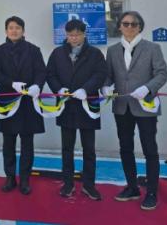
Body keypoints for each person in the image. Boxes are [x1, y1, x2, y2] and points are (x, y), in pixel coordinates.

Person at [103, 11, 167, 210]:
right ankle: (132, 187)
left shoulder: (152, 48)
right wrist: (106, 87)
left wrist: (147, 88)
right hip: (122, 107)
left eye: (134, 24)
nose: (130, 27)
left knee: (150, 149)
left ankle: (151, 192)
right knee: (125, 148)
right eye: (126, 23)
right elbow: (108, 75)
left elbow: (162, 74)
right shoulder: (112, 50)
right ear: (119, 26)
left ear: (140, 27)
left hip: (145, 106)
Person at [45, 19, 107, 200]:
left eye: (77, 34)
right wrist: (58, 89)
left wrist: (86, 89)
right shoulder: (58, 53)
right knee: (67, 148)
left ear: (84, 34)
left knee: (89, 149)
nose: (74, 38)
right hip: (66, 105)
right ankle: (68, 184)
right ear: (66, 35)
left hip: (87, 105)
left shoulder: (95, 53)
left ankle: (89, 185)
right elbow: (50, 74)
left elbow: (100, 74)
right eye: (70, 35)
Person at [0, 16, 46, 195]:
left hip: (29, 102)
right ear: (6, 31)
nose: (14, 31)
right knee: (8, 141)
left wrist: (37, 85)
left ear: (23, 30)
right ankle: (9, 177)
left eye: (17, 28)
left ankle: (24, 179)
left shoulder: (34, 50)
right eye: (11, 28)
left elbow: (41, 71)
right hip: (8, 101)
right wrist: (11, 83)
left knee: (27, 142)